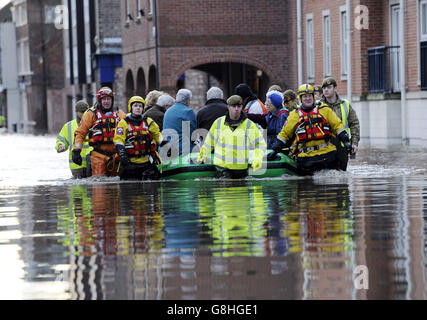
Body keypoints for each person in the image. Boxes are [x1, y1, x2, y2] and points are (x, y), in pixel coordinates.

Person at [268, 84, 351, 176]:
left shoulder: (324, 110)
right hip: (306, 157)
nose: (307, 99)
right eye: (305, 96)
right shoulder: (294, 115)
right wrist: (275, 149)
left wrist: (346, 140)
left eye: (309, 96)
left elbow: (337, 125)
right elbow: (284, 134)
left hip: (327, 153)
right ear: (300, 98)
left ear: (313, 97)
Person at [197, 95, 267, 179]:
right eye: (234, 106)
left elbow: (260, 144)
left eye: (239, 106)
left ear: (242, 107)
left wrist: (257, 157)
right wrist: (203, 154)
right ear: (228, 107)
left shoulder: (249, 125)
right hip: (222, 167)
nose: (236, 109)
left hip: (241, 167)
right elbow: (209, 142)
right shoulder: (218, 122)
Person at [72, 87, 126, 176]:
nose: (106, 102)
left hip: (116, 155)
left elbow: (128, 132)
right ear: (99, 100)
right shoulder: (91, 114)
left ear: (112, 100)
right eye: (104, 99)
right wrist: (76, 151)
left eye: (108, 99)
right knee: (99, 184)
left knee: (115, 185)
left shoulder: (120, 114)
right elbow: (80, 133)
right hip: (98, 155)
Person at [114, 96, 162, 180]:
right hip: (130, 163)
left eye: (140, 106)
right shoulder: (123, 123)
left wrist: (166, 145)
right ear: (130, 107)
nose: (138, 108)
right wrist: (122, 154)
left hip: (147, 163)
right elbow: (118, 139)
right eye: (135, 106)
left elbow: (158, 135)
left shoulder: (148, 121)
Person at [320, 76, 360, 170]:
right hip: (324, 146)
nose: (326, 90)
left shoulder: (345, 104)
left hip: (342, 146)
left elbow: (354, 124)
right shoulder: (318, 106)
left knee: (341, 177)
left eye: (329, 87)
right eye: (324, 88)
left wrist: (354, 143)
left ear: (335, 88)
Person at [56, 100, 92, 178]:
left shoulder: (93, 123)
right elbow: (62, 139)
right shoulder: (68, 126)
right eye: (82, 112)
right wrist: (60, 146)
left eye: (86, 111)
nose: (84, 114)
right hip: (76, 165)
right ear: (76, 111)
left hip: (91, 163)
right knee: (77, 189)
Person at [163, 88, 196, 156]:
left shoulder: (168, 111)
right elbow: (193, 133)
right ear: (187, 101)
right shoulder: (188, 112)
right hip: (182, 150)